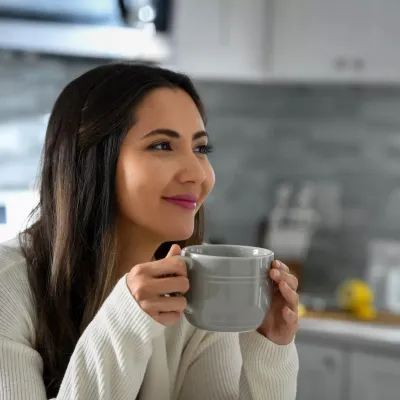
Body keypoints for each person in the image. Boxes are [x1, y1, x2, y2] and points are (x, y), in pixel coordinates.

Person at [0, 63, 299, 400]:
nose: (197, 175)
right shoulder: (7, 288)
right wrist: (125, 322)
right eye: (161, 146)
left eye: (200, 149)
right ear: (92, 161)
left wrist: (270, 348)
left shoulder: (198, 291)